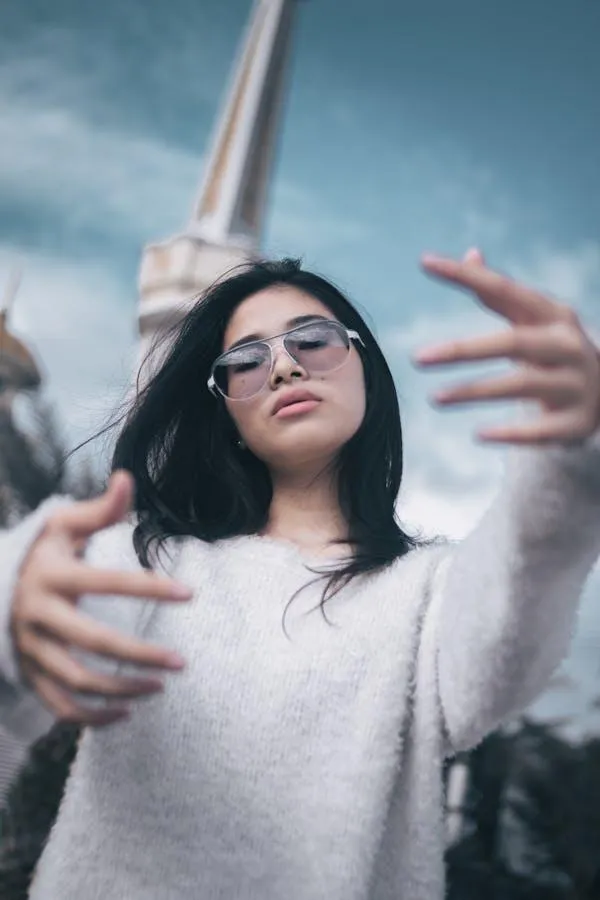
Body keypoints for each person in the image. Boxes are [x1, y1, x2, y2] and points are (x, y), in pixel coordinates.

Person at [0, 251, 599, 900]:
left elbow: (503, 635)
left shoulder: (428, 595)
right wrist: (12, 599)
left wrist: (568, 463)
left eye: (313, 341)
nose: (284, 366)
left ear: (365, 365)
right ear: (224, 410)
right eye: (246, 362)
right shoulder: (147, 566)